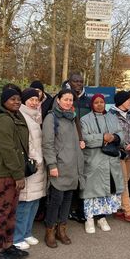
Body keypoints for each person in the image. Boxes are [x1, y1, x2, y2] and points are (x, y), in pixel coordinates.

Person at [0, 89, 29, 259]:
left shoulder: (14, 117)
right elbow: (8, 150)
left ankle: (8, 246)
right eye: (12, 99)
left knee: (11, 211)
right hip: (3, 172)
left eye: (19, 99)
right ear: (3, 102)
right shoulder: (3, 120)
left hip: (12, 171)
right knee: (2, 212)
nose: (17, 101)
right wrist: (19, 175)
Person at [41, 89, 85, 248]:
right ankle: (50, 231)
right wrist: (52, 165)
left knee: (67, 200)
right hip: (59, 166)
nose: (68, 102)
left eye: (71, 100)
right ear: (58, 100)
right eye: (65, 99)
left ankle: (62, 230)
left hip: (72, 167)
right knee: (56, 200)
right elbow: (47, 144)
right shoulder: (51, 118)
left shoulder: (72, 118)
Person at [80, 94, 125, 233]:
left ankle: (101, 218)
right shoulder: (84, 120)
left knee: (106, 191)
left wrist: (115, 137)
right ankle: (89, 219)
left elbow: (121, 135)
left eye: (102, 102)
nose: (99, 104)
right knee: (91, 192)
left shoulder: (112, 118)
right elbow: (85, 139)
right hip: (94, 161)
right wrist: (102, 137)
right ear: (92, 104)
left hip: (110, 161)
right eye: (96, 102)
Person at [14, 89, 47, 250]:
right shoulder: (22, 116)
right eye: (31, 99)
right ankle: (17, 237)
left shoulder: (35, 116)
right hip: (31, 166)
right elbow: (26, 143)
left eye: (37, 100)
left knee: (34, 201)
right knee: (25, 203)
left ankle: (27, 233)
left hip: (38, 166)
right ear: (24, 101)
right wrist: (37, 160)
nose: (34, 102)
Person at [109, 91, 130, 223]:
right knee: (123, 182)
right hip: (118, 154)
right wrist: (123, 145)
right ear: (121, 102)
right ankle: (129, 211)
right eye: (129, 100)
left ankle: (118, 207)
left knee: (125, 180)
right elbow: (110, 136)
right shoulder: (110, 116)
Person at [63, 73, 89, 223]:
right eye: (75, 81)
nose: (78, 84)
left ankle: (79, 210)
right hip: (67, 146)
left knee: (81, 178)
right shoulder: (63, 99)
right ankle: (67, 211)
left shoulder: (87, 101)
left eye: (80, 81)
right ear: (69, 82)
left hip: (84, 146)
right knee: (67, 179)